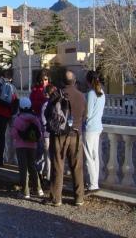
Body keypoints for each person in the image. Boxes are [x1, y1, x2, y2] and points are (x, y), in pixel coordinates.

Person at [47, 70, 86, 206]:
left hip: (59, 135)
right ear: (74, 81)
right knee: (77, 166)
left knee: (58, 165)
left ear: (62, 82)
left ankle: (56, 198)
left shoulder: (57, 94)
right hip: (76, 134)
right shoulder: (81, 96)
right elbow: (84, 115)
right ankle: (79, 198)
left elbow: (48, 114)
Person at [11, 97, 44, 199]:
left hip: (21, 146)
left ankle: (26, 192)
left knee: (23, 169)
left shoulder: (18, 119)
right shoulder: (35, 119)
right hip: (32, 146)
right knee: (32, 167)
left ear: (20, 107)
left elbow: (13, 135)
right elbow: (40, 135)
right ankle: (38, 189)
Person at [84, 70, 105, 194]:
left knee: (89, 157)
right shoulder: (101, 92)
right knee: (95, 156)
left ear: (89, 81)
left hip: (90, 128)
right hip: (98, 127)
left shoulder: (91, 93)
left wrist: (82, 116)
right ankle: (95, 181)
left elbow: (89, 113)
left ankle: (92, 184)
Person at [40, 84, 57, 184]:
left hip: (47, 133)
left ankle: (49, 176)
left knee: (48, 156)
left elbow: (43, 120)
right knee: (54, 155)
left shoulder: (46, 104)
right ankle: (53, 175)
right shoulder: (56, 103)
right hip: (55, 132)